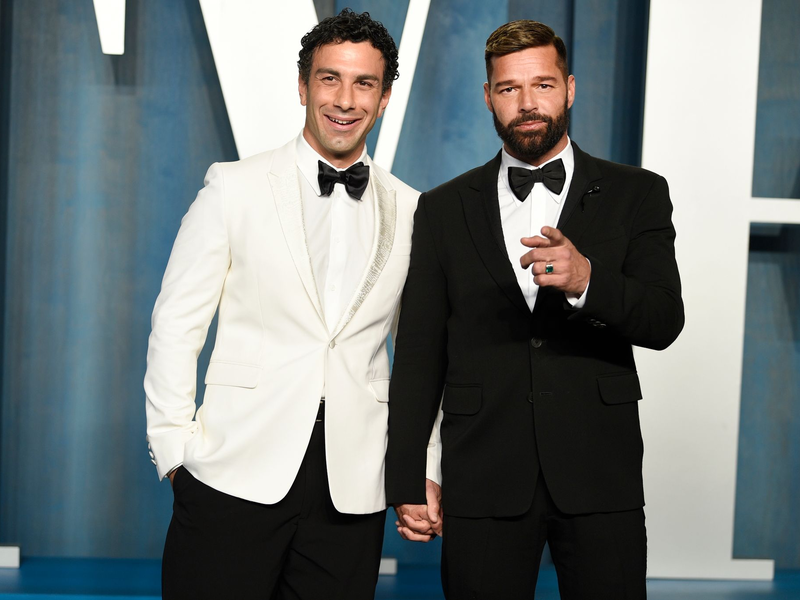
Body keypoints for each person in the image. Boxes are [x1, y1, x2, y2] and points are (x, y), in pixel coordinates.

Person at [144, 9, 438, 600]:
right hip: (231, 471)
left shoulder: (412, 209)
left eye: (364, 83)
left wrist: (422, 468)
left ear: (384, 98)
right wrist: (175, 451)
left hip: (353, 487)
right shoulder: (233, 186)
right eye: (330, 79)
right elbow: (177, 323)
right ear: (303, 86)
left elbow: (423, 357)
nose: (345, 100)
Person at [386, 19, 684, 599]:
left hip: (600, 468)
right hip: (481, 471)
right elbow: (420, 353)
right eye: (509, 88)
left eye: (542, 85)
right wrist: (410, 474)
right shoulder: (442, 208)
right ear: (488, 97)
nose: (527, 103)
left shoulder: (638, 193)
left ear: (569, 89)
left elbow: (664, 320)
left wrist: (588, 280)